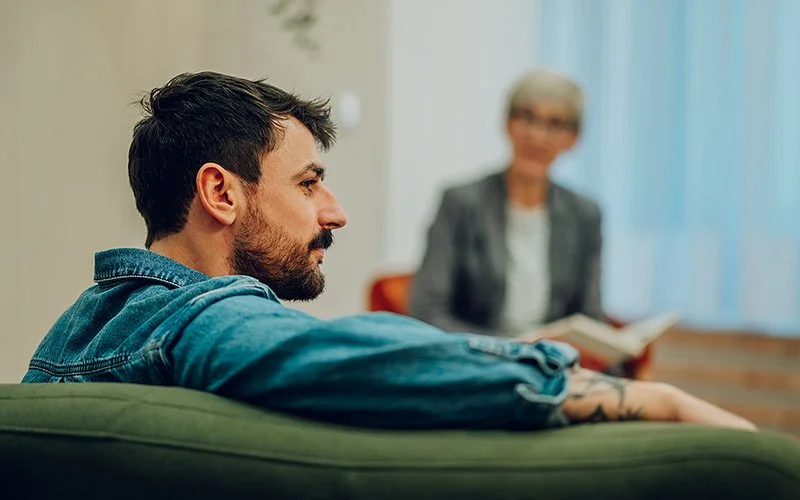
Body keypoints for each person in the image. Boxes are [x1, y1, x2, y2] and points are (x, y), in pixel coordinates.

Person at [23, 72, 753, 432]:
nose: (334, 211)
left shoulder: (81, 325)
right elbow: (370, 357)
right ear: (221, 193)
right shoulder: (199, 321)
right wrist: (654, 398)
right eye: (309, 183)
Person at [411, 70, 604, 339]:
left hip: (551, 364)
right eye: (527, 118)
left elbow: (590, 317)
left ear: (573, 139)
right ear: (508, 124)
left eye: (555, 124)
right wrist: (510, 351)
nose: (537, 136)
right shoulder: (460, 203)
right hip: (479, 358)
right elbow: (427, 310)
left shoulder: (585, 215)